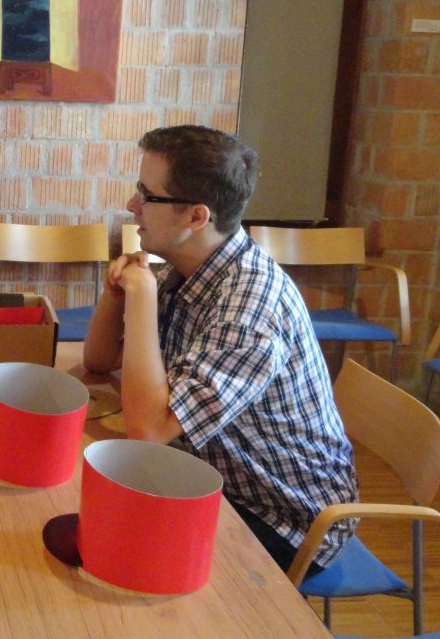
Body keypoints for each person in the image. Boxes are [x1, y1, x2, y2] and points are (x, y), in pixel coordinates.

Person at [83, 125, 358, 576]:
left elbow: (148, 429)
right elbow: (98, 361)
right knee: (89, 511)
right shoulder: (191, 268)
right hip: (212, 476)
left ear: (196, 217)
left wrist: (143, 296)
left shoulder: (250, 308)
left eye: (147, 195)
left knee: (106, 545)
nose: (132, 205)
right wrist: (117, 296)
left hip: (285, 517)